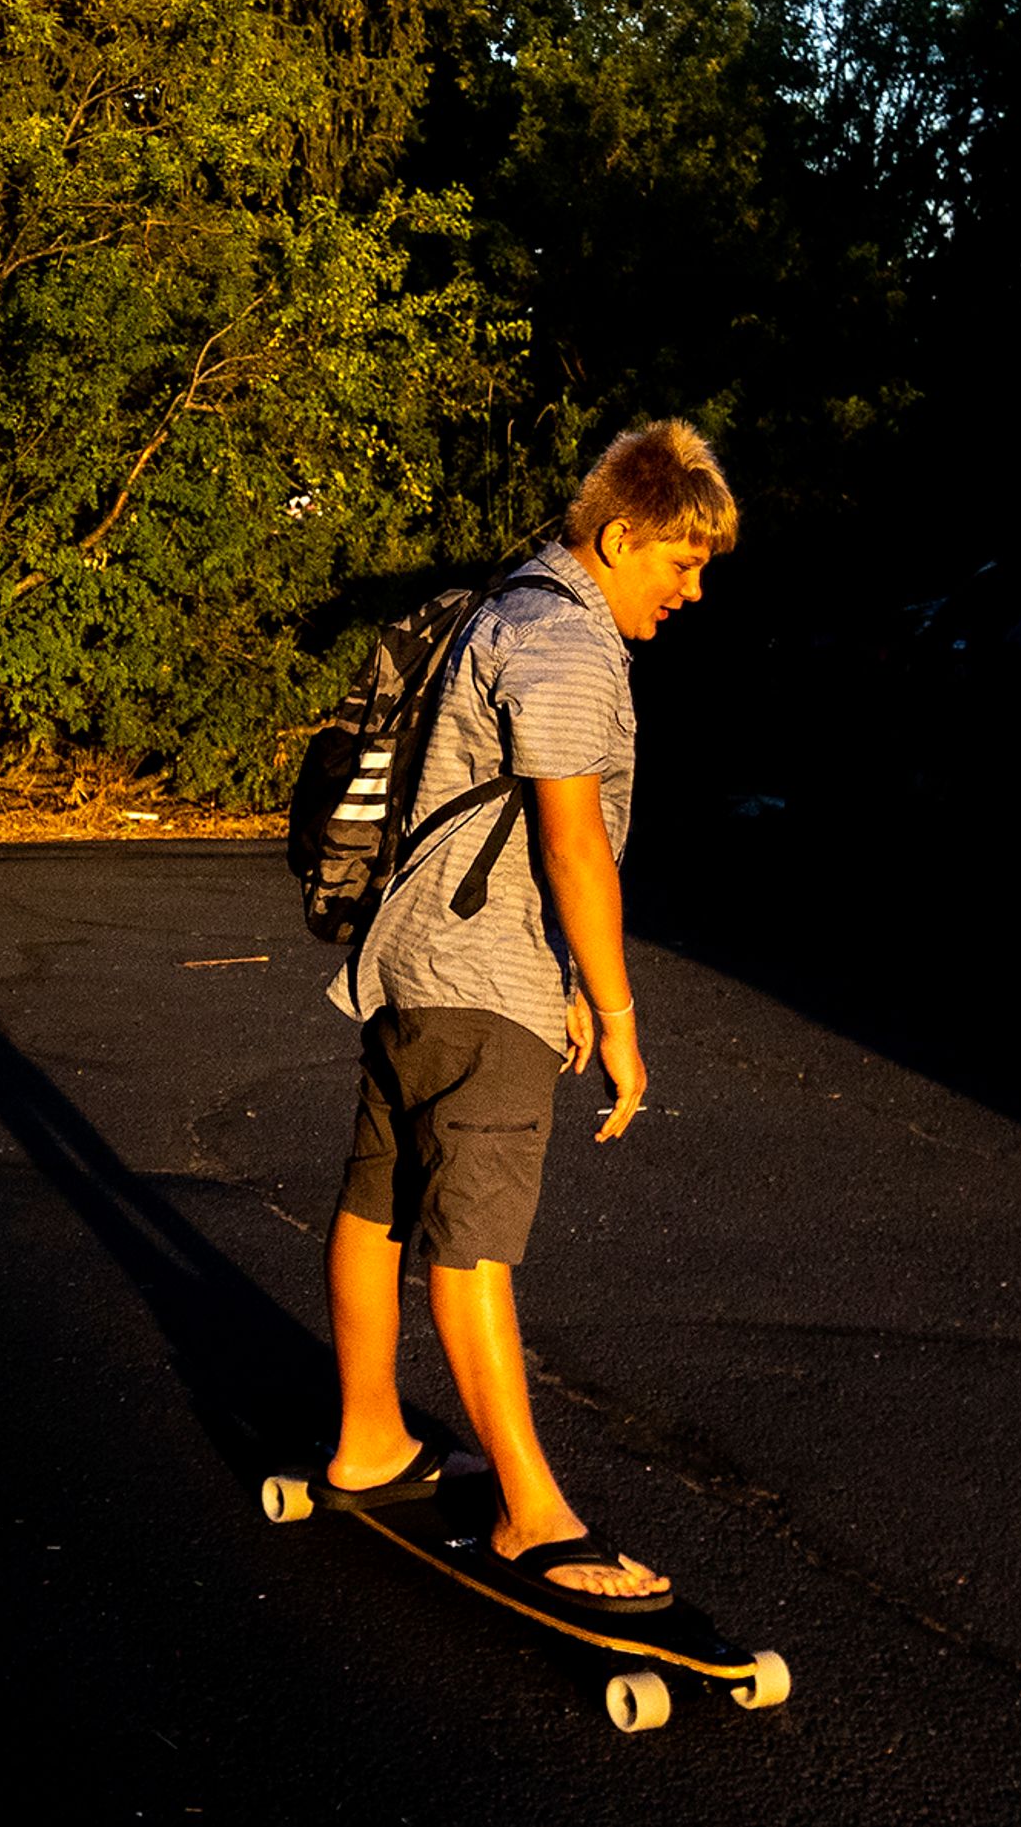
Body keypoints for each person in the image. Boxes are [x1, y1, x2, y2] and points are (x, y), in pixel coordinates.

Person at [314, 419, 735, 1611]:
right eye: (681, 563)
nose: (692, 590)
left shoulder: (506, 608)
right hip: (483, 978)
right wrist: (613, 1006)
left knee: (381, 1196)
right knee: (473, 1233)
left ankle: (370, 1439)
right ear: (619, 538)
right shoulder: (566, 640)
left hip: (409, 962)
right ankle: (532, 1512)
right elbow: (571, 840)